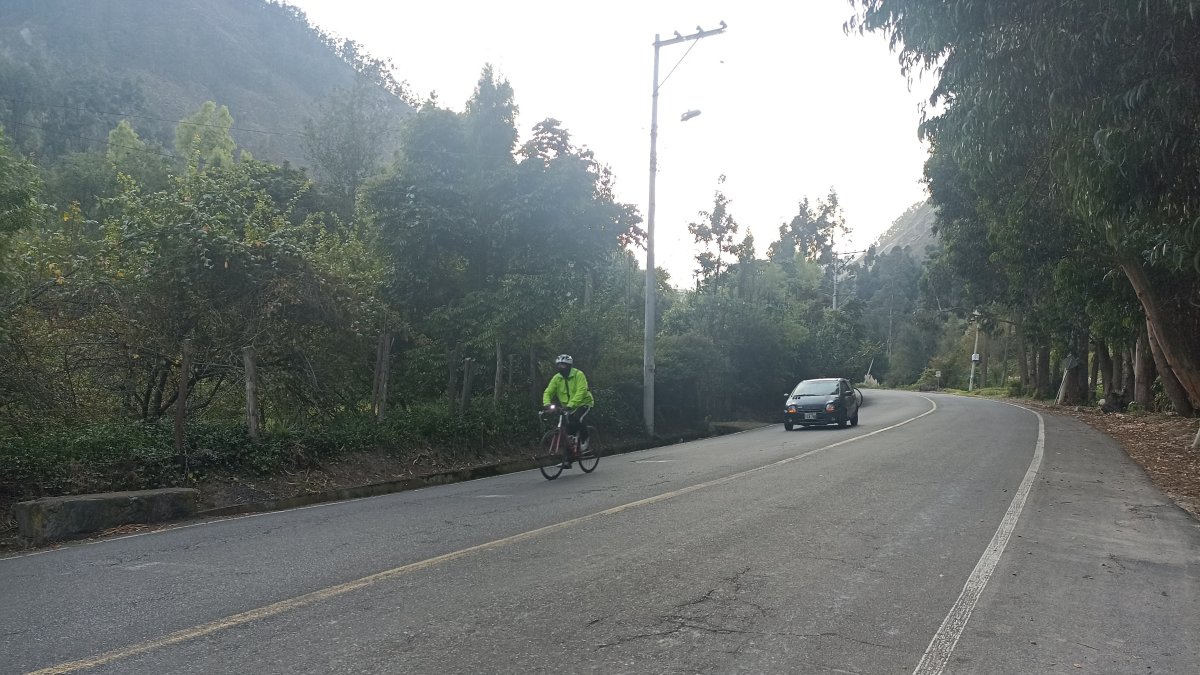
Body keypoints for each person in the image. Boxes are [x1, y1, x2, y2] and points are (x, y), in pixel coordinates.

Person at [542, 354, 594, 469]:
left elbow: (581, 391)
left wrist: (571, 405)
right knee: (566, 432)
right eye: (559, 365)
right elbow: (548, 391)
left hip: (583, 403)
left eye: (563, 365)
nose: (561, 367)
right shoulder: (557, 378)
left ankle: (585, 439)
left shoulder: (578, 375)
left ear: (569, 366)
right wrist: (547, 404)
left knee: (577, 419)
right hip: (567, 406)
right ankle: (567, 460)